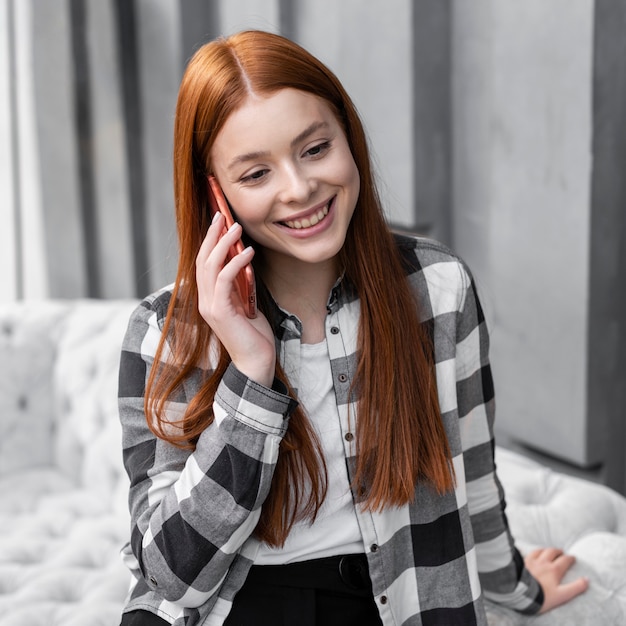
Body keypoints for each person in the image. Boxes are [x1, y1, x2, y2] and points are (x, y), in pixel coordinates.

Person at [117, 29, 588, 626]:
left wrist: (518, 589)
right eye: (255, 174)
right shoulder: (165, 331)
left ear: (348, 138)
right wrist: (250, 373)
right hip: (227, 600)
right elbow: (170, 575)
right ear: (216, 194)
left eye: (315, 149)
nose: (299, 188)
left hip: (386, 592)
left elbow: (472, 469)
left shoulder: (439, 291)